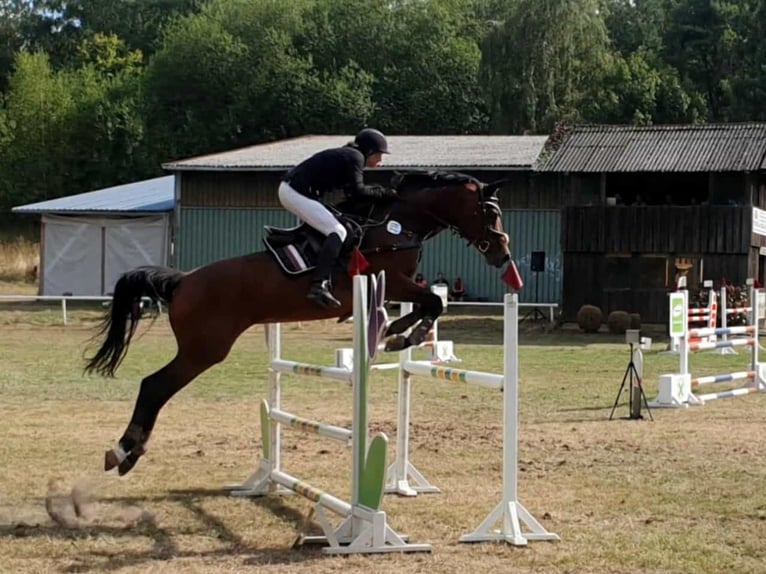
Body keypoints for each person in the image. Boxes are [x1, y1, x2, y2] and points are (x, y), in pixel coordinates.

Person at [278, 128, 397, 309]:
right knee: (338, 231)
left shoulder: (350, 156)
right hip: (294, 192)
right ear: (370, 151)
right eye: (379, 155)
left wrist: (380, 192)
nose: (380, 161)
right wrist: (387, 193)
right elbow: (359, 192)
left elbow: (352, 194)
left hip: (296, 191)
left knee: (343, 225)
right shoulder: (355, 157)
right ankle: (319, 285)